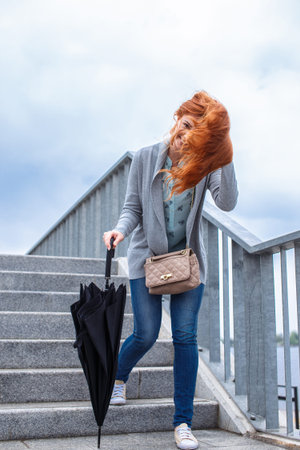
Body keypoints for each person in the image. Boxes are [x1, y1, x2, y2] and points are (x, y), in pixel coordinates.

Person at [103, 90, 238, 450]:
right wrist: (120, 230)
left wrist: (223, 152)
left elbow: (227, 203)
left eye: (197, 132)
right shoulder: (146, 157)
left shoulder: (205, 163)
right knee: (146, 334)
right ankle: (117, 377)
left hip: (188, 264)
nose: (185, 134)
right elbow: (132, 207)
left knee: (184, 337)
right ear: (178, 117)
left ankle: (183, 423)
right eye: (186, 123)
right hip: (147, 259)